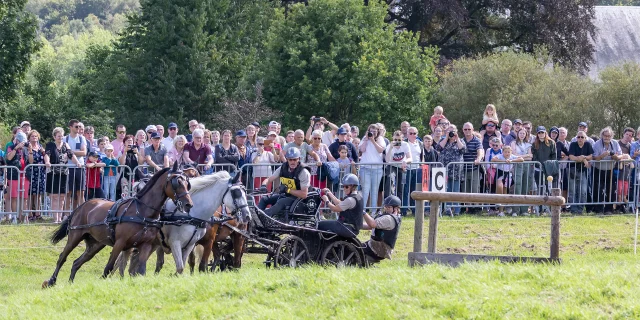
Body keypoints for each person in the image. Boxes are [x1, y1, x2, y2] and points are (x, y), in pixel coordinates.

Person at [258, 148, 311, 217]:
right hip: (287, 196)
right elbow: (269, 179)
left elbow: (304, 194)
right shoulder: (283, 167)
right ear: (287, 159)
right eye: (290, 159)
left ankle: (264, 216)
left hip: (299, 199)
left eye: (295, 159)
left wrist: (287, 190)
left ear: (299, 159)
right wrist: (263, 186)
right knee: (265, 199)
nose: (292, 162)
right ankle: (258, 215)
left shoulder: (303, 172)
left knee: (281, 202)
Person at [45, 127, 78, 223]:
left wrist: (77, 163)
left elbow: (71, 154)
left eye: (62, 136)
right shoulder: (50, 145)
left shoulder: (65, 145)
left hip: (64, 173)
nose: (60, 138)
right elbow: (47, 154)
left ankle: (59, 218)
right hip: (53, 172)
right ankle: (55, 218)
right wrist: (47, 162)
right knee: (54, 196)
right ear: (54, 136)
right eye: (58, 136)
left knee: (62, 196)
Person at [319, 173, 363, 238]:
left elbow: (334, 209)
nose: (344, 189)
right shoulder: (357, 196)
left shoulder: (350, 200)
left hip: (347, 227)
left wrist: (327, 200)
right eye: (343, 186)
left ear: (353, 187)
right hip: (350, 227)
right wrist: (329, 193)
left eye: (346, 187)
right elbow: (340, 204)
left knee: (320, 224)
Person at [362, 195, 402, 264]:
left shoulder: (389, 219)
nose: (386, 209)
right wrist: (356, 225)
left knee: (352, 247)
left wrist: (363, 212)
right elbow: (370, 226)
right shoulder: (393, 217)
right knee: (356, 245)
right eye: (385, 207)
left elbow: (372, 224)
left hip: (377, 249)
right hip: (377, 246)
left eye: (389, 207)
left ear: (396, 209)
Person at [591, 127, 622, 214]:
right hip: (599, 169)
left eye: (609, 136)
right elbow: (594, 157)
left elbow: (620, 156)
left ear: (611, 136)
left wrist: (616, 157)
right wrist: (602, 156)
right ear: (602, 135)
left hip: (610, 170)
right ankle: (598, 209)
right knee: (598, 190)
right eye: (605, 135)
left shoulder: (615, 143)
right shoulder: (597, 144)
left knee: (611, 189)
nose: (607, 137)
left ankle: (609, 209)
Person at [437, 124, 466, 216]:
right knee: (445, 190)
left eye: (453, 130)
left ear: (456, 131)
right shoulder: (443, 140)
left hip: (456, 171)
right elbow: (438, 148)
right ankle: (447, 210)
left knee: (455, 190)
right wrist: (446, 138)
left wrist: (456, 139)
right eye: (449, 130)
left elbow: (463, 150)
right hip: (444, 170)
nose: (451, 132)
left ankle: (456, 211)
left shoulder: (460, 141)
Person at [359, 124, 386, 211]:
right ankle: (362, 211)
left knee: (374, 191)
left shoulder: (380, 139)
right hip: (365, 168)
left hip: (377, 169)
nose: (373, 133)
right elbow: (362, 150)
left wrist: (373, 140)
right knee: (365, 190)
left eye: (375, 131)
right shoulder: (364, 138)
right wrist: (367, 139)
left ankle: (374, 212)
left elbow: (380, 150)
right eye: (371, 131)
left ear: (378, 132)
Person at [384, 131, 412, 213]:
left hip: (402, 167)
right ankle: (389, 206)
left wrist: (406, 161)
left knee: (401, 187)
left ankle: (400, 209)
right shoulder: (389, 146)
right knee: (390, 183)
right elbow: (387, 160)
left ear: (402, 139)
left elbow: (410, 158)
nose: (397, 142)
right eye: (395, 139)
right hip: (392, 166)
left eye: (399, 140)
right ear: (392, 138)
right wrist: (391, 148)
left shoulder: (405, 145)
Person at [491, 146, 524, 216]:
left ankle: (502, 210)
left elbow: (521, 159)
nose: (507, 153)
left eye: (508, 152)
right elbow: (493, 159)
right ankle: (500, 209)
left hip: (508, 174)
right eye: (505, 152)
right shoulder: (500, 156)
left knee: (505, 192)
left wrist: (511, 161)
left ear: (511, 152)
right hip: (500, 173)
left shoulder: (512, 156)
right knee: (500, 189)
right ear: (502, 152)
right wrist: (503, 161)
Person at [567, 131, 594, 214]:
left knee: (583, 191)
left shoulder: (588, 145)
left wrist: (584, 157)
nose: (580, 139)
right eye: (578, 137)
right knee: (572, 191)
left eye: (582, 137)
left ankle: (580, 209)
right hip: (572, 170)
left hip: (583, 171)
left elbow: (591, 156)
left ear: (585, 138)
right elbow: (571, 157)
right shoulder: (573, 144)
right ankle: (573, 209)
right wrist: (583, 159)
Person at [6, 132, 29, 223]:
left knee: (24, 197)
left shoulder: (26, 149)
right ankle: (14, 217)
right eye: (22, 142)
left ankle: (23, 218)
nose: (23, 144)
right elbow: (9, 158)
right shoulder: (11, 147)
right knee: (14, 197)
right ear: (18, 140)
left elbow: (30, 161)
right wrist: (16, 148)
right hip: (14, 175)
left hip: (25, 175)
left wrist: (30, 150)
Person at [65, 119, 87, 211]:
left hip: (80, 167)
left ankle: (82, 212)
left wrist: (70, 152)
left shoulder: (82, 138)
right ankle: (66, 213)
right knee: (68, 192)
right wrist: (74, 153)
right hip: (68, 168)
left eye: (79, 126)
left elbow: (84, 152)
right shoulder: (65, 139)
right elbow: (65, 153)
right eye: (76, 126)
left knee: (80, 192)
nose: (78, 128)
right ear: (70, 127)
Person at [510, 129, 533, 216]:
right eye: (520, 133)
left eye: (524, 133)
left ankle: (524, 210)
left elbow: (530, 157)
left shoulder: (528, 144)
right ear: (518, 134)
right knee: (517, 186)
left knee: (525, 187)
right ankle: (515, 210)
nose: (522, 135)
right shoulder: (513, 143)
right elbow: (514, 155)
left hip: (527, 166)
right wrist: (525, 156)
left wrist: (521, 157)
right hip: (517, 166)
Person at [26, 130, 46, 220]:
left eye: (36, 136)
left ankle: (38, 214)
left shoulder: (40, 147)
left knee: (38, 194)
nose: (34, 138)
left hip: (40, 173)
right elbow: (30, 161)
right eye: (32, 136)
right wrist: (30, 150)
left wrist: (43, 151)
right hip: (31, 172)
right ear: (29, 138)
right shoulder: (27, 147)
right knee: (30, 194)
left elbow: (46, 157)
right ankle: (30, 214)